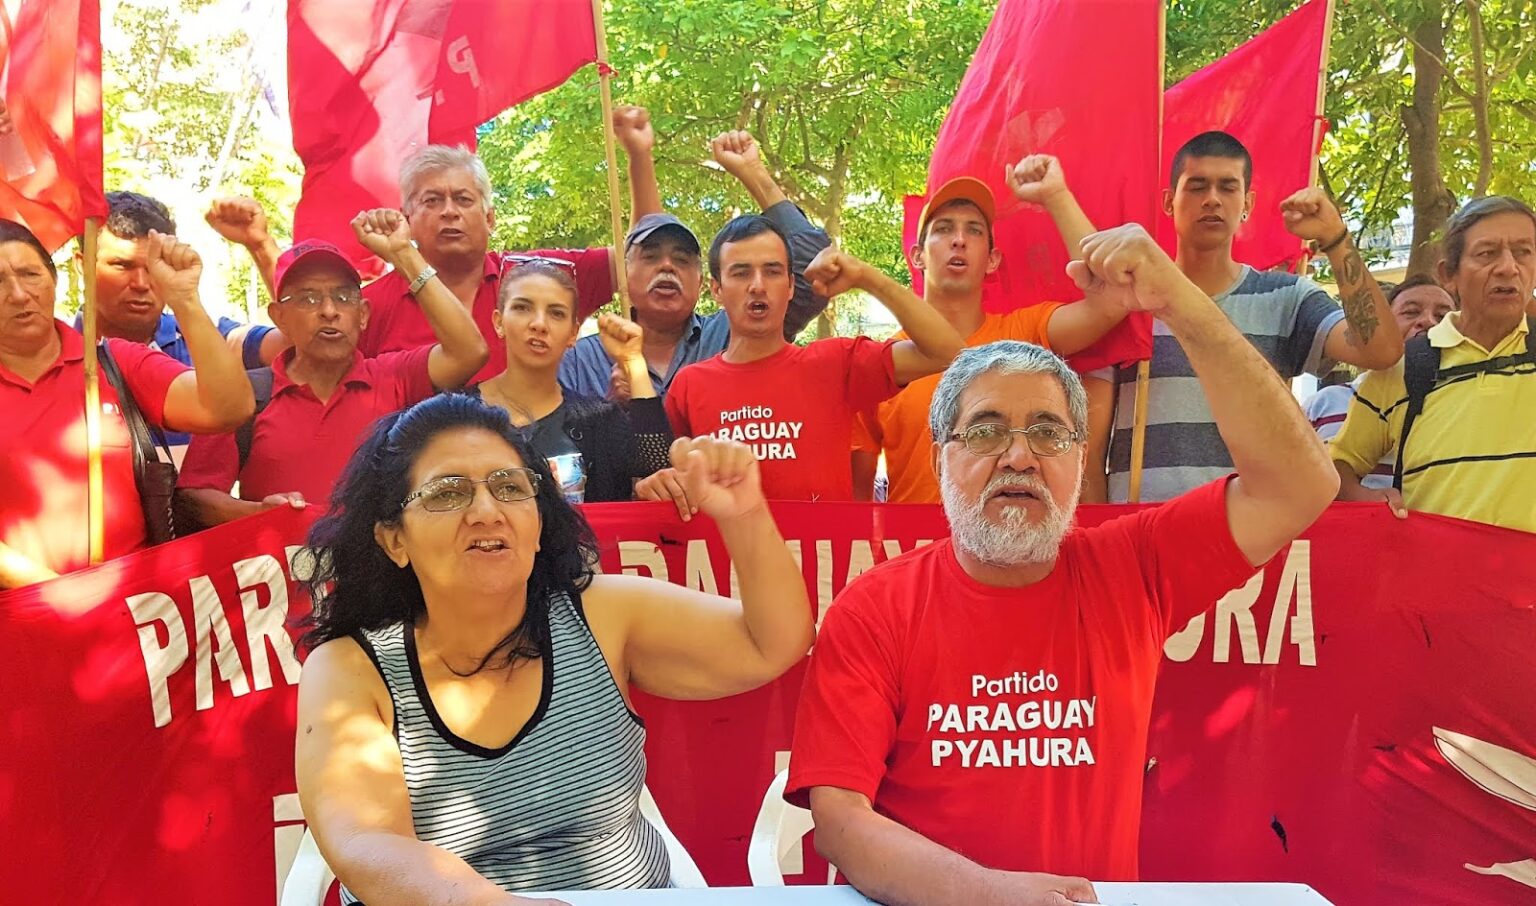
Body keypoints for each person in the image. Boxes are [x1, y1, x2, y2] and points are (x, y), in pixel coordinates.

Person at [788, 224, 1340, 903]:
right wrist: (995, 896)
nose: (1018, 456)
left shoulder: (1134, 567)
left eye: (1047, 433)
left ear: (1080, 459)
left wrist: (1178, 301)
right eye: (986, 430)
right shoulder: (873, 609)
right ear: (940, 459)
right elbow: (840, 822)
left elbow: (1301, 486)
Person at [293, 394, 814, 902]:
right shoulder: (349, 668)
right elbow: (367, 843)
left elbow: (771, 643)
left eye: (509, 487)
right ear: (394, 540)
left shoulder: (602, 615)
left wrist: (743, 513)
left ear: (539, 522)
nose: (485, 510)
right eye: (447, 492)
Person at [1105, 130, 1403, 502]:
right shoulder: (1130, 298)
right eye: (1197, 186)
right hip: (1139, 526)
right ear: (1169, 201)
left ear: (1247, 202)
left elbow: (1381, 352)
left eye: (1227, 188)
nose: (1212, 199)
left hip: (1250, 532)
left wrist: (1337, 239)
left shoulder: (1285, 298)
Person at [174, 210, 488, 527]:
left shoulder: (393, 377)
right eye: (308, 299)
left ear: (363, 314)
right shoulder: (244, 397)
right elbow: (195, 496)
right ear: (279, 317)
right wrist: (261, 516)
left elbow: (469, 351)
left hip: (383, 572)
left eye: (343, 297)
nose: (329, 311)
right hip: (287, 570)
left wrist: (404, 254)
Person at [851, 157, 1130, 504]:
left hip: (1012, 550)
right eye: (943, 229)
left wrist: (1056, 195)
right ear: (917, 256)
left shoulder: (1023, 334)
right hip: (917, 553)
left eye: (974, 230)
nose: (958, 240)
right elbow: (857, 503)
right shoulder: (883, 363)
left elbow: (1111, 301)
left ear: (993, 259)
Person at [0, 220, 253, 587]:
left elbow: (227, 409)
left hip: (133, 613)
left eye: (30, 274)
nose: (20, 294)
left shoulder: (112, 362)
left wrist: (185, 300)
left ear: (55, 281)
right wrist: (55, 593)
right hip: (21, 618)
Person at [652, 216, 964, 505]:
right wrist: (659, 483)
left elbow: (948, 352)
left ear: (790, 287)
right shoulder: (689, 386)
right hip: (724, 562)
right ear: (717, 289)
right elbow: (664, 479)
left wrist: (866, 277)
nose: (757, 285)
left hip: (824, 563)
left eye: (772, 271)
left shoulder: (837, 363)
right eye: (741, 272)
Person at [355, 108, 662, 384]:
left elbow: (639, 258)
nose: (449, 211)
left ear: (489, 218)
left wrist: (639, 158)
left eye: (463, 199)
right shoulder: (368, 307)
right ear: (406, 218)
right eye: (432, 201)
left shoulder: (538, 275)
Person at [558, 126, 833, 402]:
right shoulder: (580, 361)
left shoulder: (737, 331)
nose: (667, 266)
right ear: (624, 273)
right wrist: (610, 413)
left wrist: (754, 172)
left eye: (681, 259)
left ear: (704, 283)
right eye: (651, 256)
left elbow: (817, 273)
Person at [1330, 195, 1536, 532]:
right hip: (1434, 578)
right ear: (1448, 275)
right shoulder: (1409, 367)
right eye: (1487, 253)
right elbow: (1335, 467)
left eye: (1523, 252)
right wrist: (1363, 498)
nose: (1508, 267)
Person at [77, 192, 285, 453]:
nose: (141, 284)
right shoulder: (55, 354)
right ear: (81, 266)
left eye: (154, 266)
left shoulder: (210, 344)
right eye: (122, 265)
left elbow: (304, 340)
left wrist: (261, 246)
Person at [471, 259, 671, 503]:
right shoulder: (456, 415)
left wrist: (633, 361)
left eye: (556, 313)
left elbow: (658, 464)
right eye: (523, 308)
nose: (539, 324)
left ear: (573, 333)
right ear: (498, 322)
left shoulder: (599, 421)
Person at [1303, 275, 1455, 489]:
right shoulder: (1322, 404)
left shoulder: (1464, 402)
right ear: (1382, 327)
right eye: (1411, 312)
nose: (1428, 321)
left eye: (1443, 316)